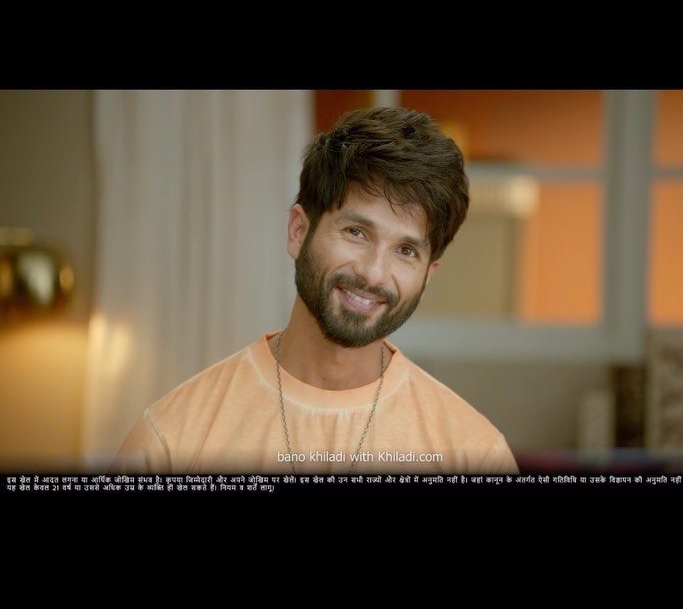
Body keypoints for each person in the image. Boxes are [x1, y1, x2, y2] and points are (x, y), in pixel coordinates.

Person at [113, 106, 519, 476]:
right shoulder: (172, 439)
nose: (374, 273)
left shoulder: (475, 453)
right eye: (356, 232)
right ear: (298, 231)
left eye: (406, 251)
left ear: (428, 275)